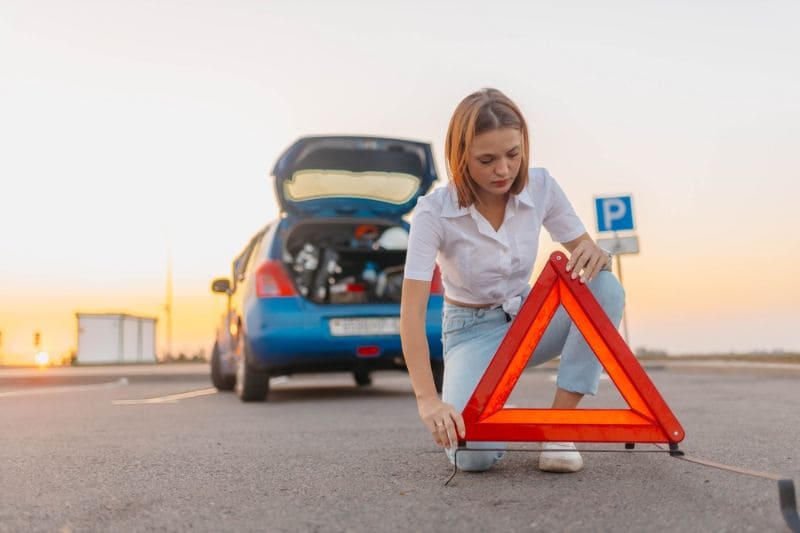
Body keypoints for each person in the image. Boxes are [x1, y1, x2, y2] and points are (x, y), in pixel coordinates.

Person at [399, 88, 625, 473]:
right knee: (472, 458)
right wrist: (428, 401)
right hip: (470, 334)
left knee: (605, 285)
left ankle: (559, 426)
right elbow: (411, 313)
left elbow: (587, 254)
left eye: (513, 155)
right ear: (460, 158)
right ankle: (493, 402)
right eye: (487, 160)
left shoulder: (541, 186)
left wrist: (597, 254)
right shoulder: (432, 213)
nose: (503, 170)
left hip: (529, 320)